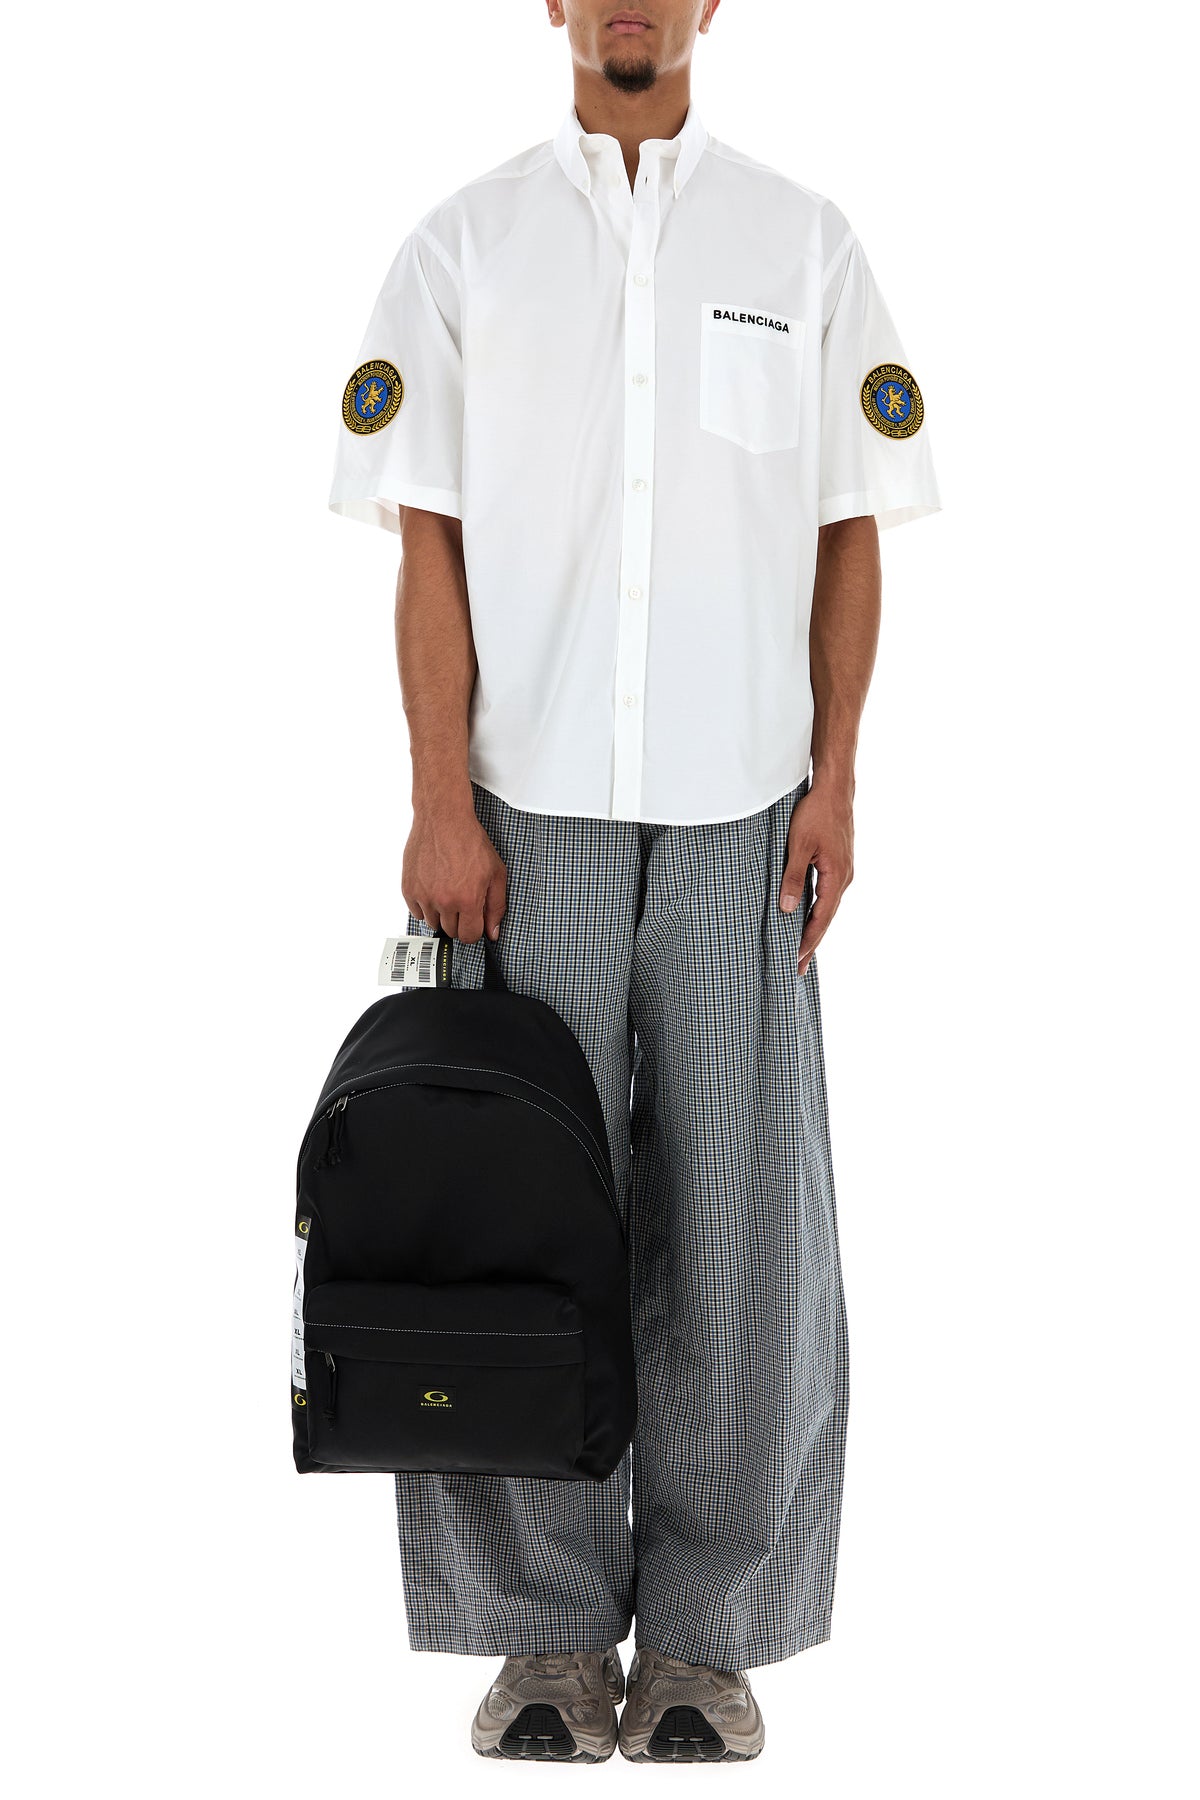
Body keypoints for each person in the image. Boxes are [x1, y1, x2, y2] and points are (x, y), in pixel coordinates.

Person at [327, 0, 940, 1765]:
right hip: (523, 828)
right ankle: (537, 1640)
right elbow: (427, 544)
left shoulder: (804, 244)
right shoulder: (461, 248)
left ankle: (707, 1642)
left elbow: (850, 527)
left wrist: (838, 782)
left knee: (744, 1241)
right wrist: (437, 801)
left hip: (749, 818)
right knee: (508, 1222)